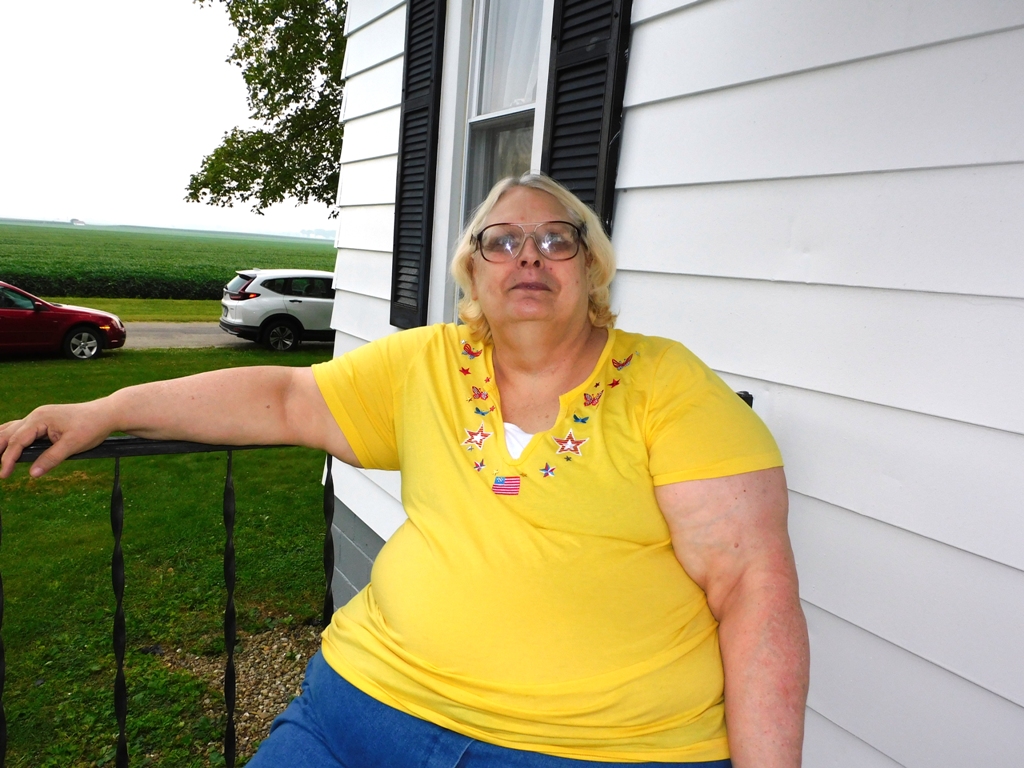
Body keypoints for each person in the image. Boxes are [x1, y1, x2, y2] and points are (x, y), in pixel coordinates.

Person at [0, 174, 809, 767]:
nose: (529, 256)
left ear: (592, 268)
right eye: (502, 241)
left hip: (595, 746)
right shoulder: (427, 364)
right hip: (362, 710)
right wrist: (108, 408)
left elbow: (753, 589)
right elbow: (284, 397)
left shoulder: (667, 384)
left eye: (557, 240)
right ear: (473, 272)